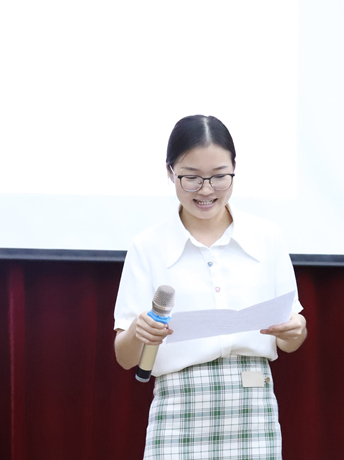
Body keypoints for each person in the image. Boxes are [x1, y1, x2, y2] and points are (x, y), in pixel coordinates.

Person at [114, 115, 307, 460]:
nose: (206, 190)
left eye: (219, 176)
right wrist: (138, 333)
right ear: (170, 172)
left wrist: (296, 330)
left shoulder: (267, 237)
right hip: (178, 406)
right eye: (191, 177)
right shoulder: (147, 246)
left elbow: (289, 341)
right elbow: (125, 358)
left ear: (235, 169)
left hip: (252, 402)